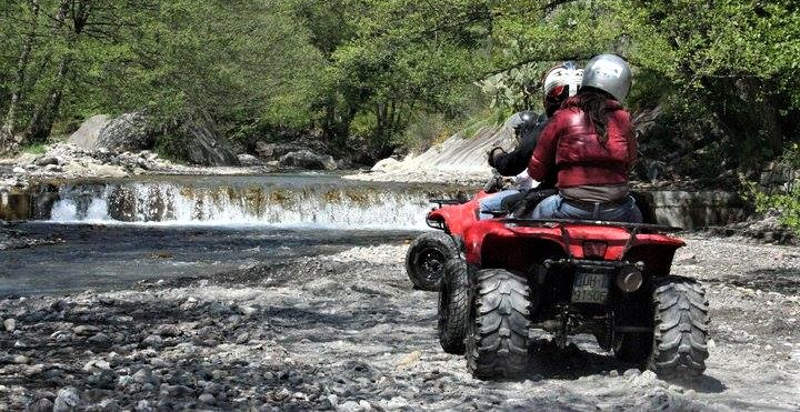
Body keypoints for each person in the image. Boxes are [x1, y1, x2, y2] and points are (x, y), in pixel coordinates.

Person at [526, 54, 642, 223]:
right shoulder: (624, 120)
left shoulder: (563, 117)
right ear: (622, 86)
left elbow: (536, 171)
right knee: (642, 222)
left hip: (569, 208)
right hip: (618, 210)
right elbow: (630, 163)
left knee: (532, 217)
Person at [478, 62, 583, 219]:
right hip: (612, 202)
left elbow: (515, 166)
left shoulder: (551, 125)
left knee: (484, 206)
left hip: (559, 198)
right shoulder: (607, 122)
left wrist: (497, 156)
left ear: (550, 96)